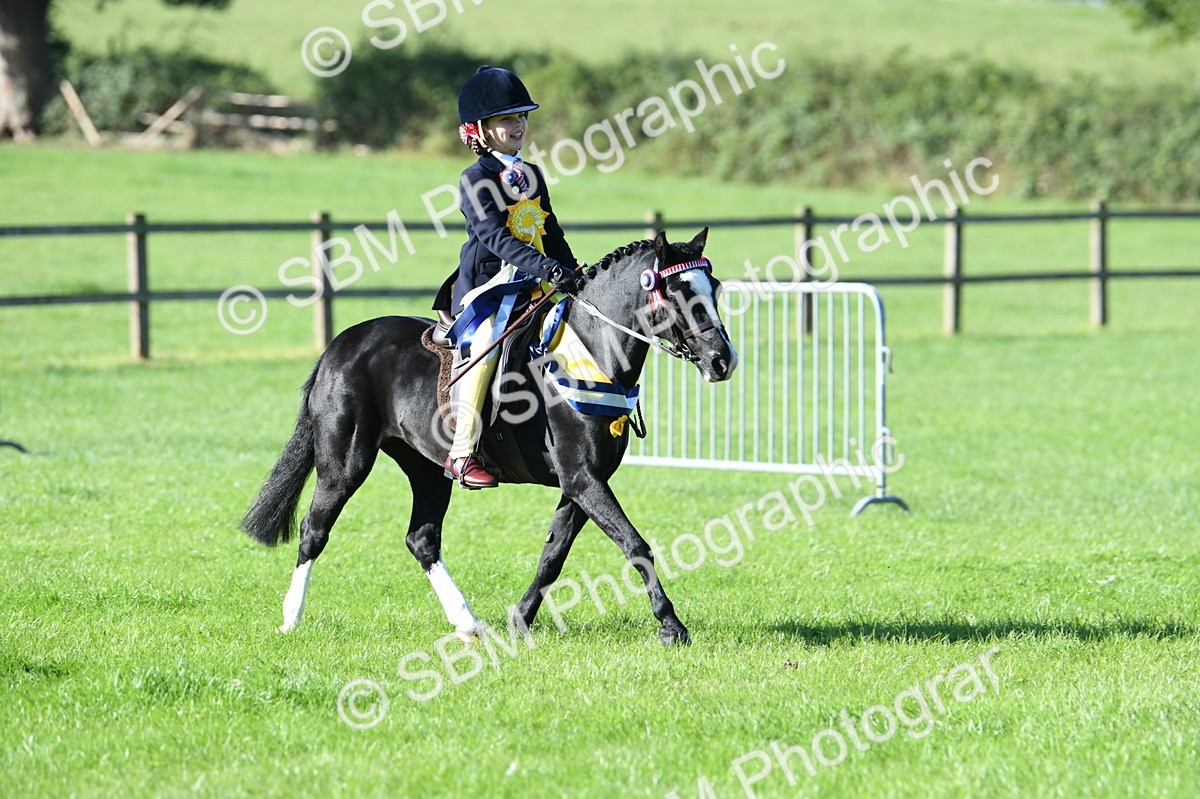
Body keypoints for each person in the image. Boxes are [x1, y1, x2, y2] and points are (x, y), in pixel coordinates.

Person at [432, 65, 581, 489]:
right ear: (479, 130)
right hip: (488, 289)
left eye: (522, 117)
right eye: (505, 119)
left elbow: (551, 233)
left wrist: (572, 271)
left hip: (536, 284)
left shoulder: (532, 174)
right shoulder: (474, 179)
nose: (518, 125)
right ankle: (462, 452)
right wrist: (548, 269)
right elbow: (494, 238)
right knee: (485, 346)